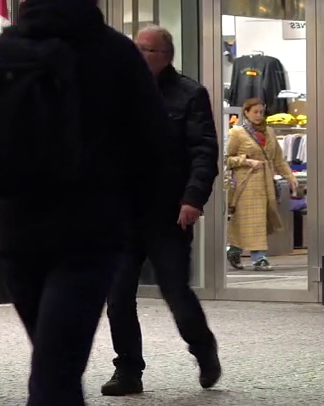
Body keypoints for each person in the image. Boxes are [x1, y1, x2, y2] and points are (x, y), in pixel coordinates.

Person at [0, 0, 170, 406]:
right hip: (89, 231)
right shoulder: (115, 53)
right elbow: (154, 145)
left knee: (54, 361)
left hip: (14, 230)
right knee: (56, 369)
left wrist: (0, 200)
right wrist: (132, 215)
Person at [103, 25, 221, 396]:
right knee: (118, 297)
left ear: (166, 57)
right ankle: (128, 369)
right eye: (135, 48)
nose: (138, 56)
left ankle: (203, 348)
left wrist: (193, 199)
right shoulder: (117, 92)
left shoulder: (189, 94)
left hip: (168, 213)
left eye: (146, 50)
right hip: (123, 214)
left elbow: (204, 152)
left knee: (175, 292)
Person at [225, 97, 301, 272]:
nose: (259, 115)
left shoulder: (270, 133)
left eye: (261, 112)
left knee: (259, 221)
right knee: (251, 220)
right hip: (246, 183)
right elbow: (228, 159)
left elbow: (278, 159)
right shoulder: (237, 133)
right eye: (255, 112)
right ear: (246, 113)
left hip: (266, 182)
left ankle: (235, 250)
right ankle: (259, 258)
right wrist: (247, 161)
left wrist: (289, 176)